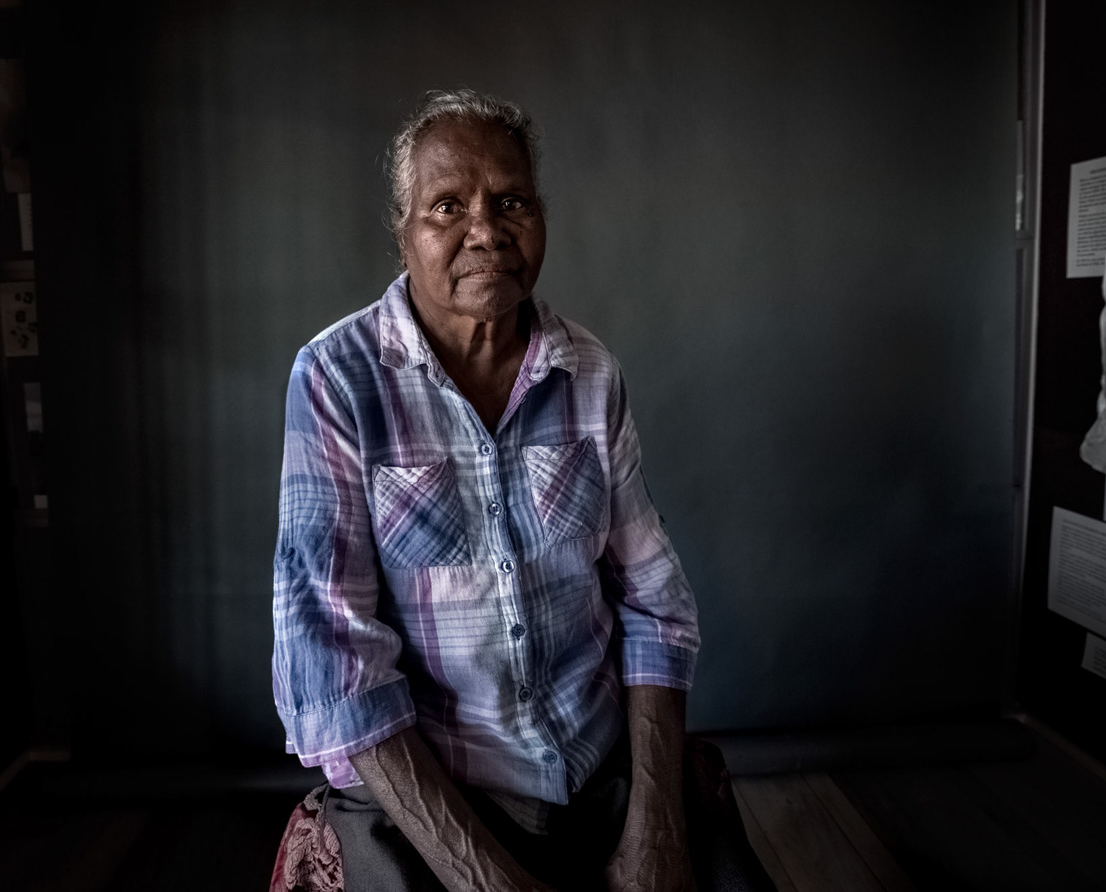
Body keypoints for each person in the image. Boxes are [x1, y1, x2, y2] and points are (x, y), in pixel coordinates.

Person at [273, 90, 771, 892]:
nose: (486, 231)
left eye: (512, 201)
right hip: (431, 795)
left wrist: (655, 822)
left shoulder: (588, 371)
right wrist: (486, 880)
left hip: (599, 767)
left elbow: (653, 602)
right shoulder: (336, 377)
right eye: (446, 206)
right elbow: (332, 664)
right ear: (402, 233)